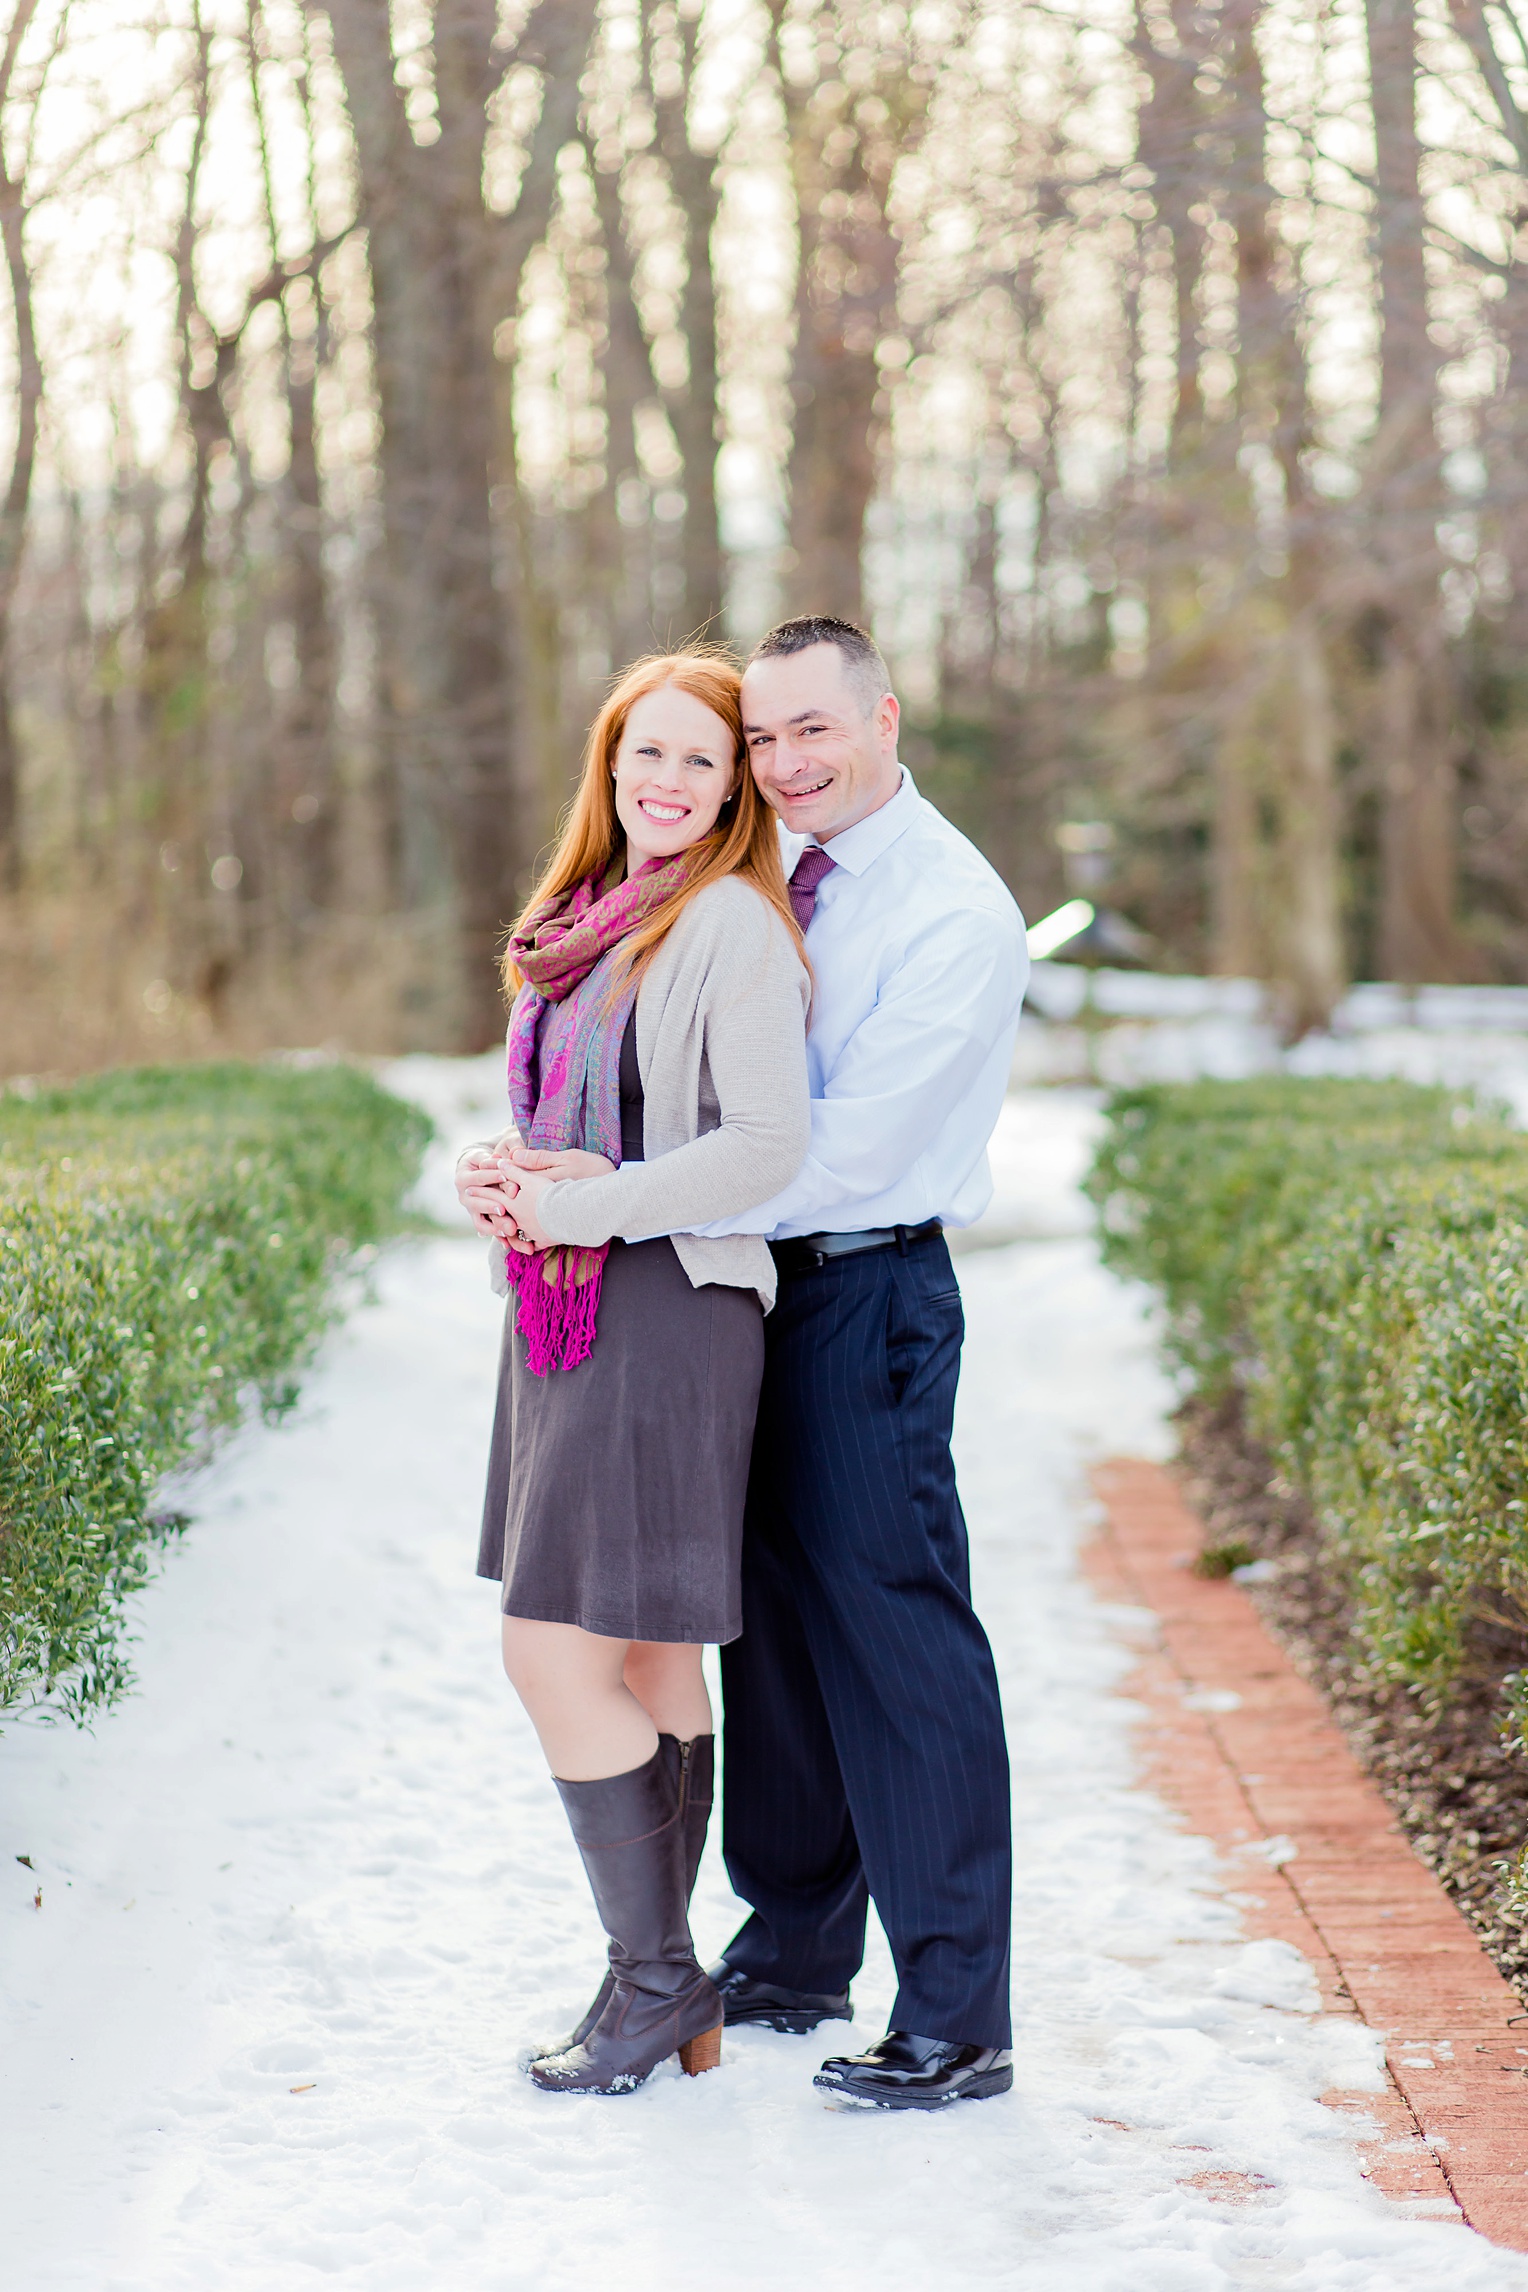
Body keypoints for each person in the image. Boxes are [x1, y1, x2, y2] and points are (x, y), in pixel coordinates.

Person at [514, 615, 1028, 2111]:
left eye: (817, 729)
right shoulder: (747, 881)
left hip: (863, 1293)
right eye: (766, 736)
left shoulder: (950, 911)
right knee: (768, 1640)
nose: (787, 761)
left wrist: (608, 1204)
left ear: (885, 719)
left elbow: (831, 1153)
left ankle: (956, 2012)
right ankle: (797, 1945)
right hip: (727, 1292)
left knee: (896, 1643)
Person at [455, 650, 810, 2098]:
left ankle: (661, 1980)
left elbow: (763, 1149)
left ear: (736, 791)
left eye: (698, 763)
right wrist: (504, 1183)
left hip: (664, 1312)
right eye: (642, 755)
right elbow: (559, 1129)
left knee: (550, 1649)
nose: (664, 783)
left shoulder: (729, 922)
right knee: (650, 1648)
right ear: (608, 768)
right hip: (565, 1310)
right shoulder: (582, 924)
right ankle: (656, 1982)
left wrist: (575, 1205)